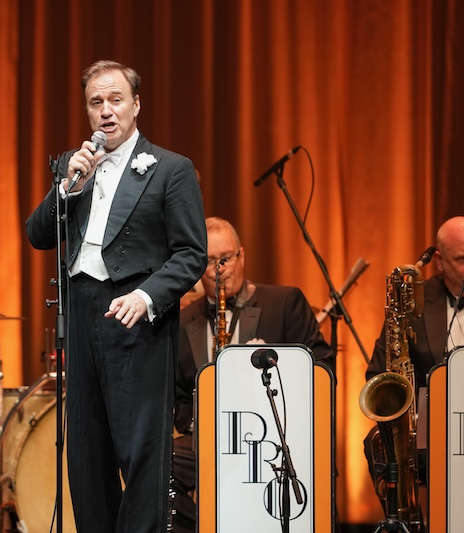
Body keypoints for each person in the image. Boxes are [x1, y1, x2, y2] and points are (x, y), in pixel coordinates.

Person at [26, 59, 207, 532]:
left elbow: (191, 254)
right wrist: (66, 188)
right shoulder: (73, 166)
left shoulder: (170, 168)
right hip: (82, 318)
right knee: (86, 451)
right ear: (88, 111)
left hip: (136, 319)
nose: (106, 111)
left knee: (142, 452)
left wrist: (147, 297)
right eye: (96, 102)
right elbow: (38, 234)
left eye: (115, 99)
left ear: (136, 104)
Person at [171, 217, 332, 533]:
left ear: (242, 256)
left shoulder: (284, 303)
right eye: (208, 261)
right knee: (159, 468)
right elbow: (175, 395)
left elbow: (323, 369)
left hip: (275, 435)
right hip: (208, 438)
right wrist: (195, 420)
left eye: (226, 259)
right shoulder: (180, 321)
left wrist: (279, 363)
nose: (220, 270)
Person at [363, 216, 464, 518]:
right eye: (462, 259)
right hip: (430, 425)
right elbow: (378, 371)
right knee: (377, 442)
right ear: (440, 262)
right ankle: (407, 516)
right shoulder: (412, 305)